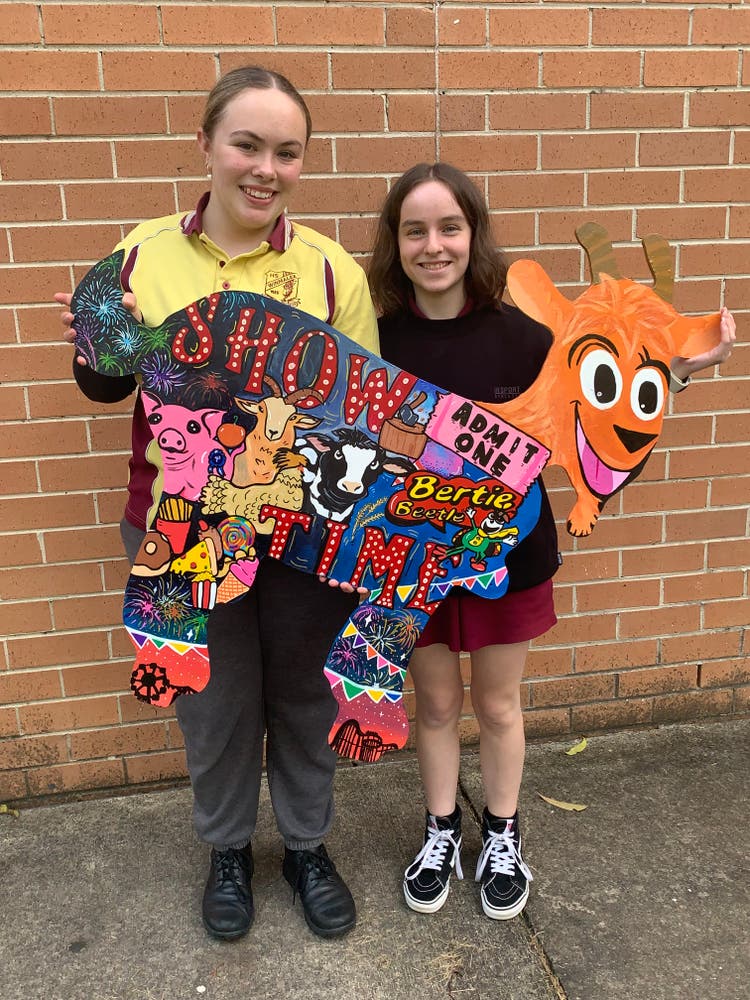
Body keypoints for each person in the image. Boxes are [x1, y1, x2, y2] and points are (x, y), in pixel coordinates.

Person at [56, 66, 379, 942]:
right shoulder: (139, 255)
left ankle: (307, 846)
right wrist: (96, 347)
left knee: (306, 694)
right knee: (214, 699)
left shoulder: (330, 272)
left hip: (302, 532)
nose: (266, 169)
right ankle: (228, 849)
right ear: (205, 145)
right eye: (247, 144)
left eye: (287, 152)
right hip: (179, 527)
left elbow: (361, 416)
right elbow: (104, 385)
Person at [367, 162, 736, 920]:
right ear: (394, 242)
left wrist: (678, 373)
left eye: (449, 227)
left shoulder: (529, 338)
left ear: (474, 234)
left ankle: (501, 834)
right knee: (434, 704)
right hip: (412, 557)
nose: (433, 246)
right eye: (415, 230)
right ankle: (442, 829)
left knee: (498, 705)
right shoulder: (374, 340)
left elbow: (600, 403)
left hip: (510, 556)